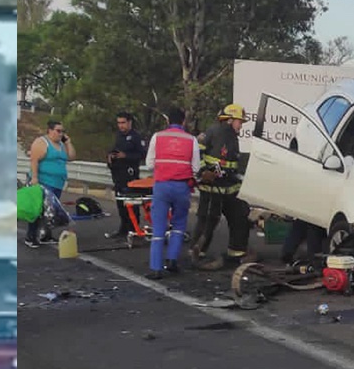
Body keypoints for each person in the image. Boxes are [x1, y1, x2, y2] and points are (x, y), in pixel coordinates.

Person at [191, 104, 253, 269]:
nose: (241, 125)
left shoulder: (231, 135)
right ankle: (197, 253)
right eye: (240, 121)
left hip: (229, 187)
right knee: (208, 220)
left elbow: (231, 163)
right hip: (213, 187)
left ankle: (236, 253)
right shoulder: (214, 131)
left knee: (240, 215)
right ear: (230, 120)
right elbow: (197, 151)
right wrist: (204, 171)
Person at [144, 107, 200, 279]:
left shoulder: (157, 137)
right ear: (183, 121)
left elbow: (149, 164)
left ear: (168, 121)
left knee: (159, 226)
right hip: (182, 187)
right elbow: (196, 168)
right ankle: (172, 261)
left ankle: (155, 267)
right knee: (179, 224)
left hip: (162, 186)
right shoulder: (192, 140)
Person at [25, 119, 75, 248]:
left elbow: (71, 157)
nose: (60, 134)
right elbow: (34, 160)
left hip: (57, 182)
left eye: (62, 131)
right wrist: (34, 178)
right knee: (38, 209)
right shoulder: (42, 142)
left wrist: (68, 142)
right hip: (43, 181)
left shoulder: (62, 145)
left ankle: (46, 234)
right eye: (58, 131)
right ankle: (31, 236)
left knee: (51, 211)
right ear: (50, 131)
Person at [105, 112, 145, 239]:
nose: (121, 126)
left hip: (130, 173)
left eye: (123, 123)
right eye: (119, 123)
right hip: (118, 173)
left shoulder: (136, 137)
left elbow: (142, 155)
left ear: (129, 122)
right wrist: (111, 157)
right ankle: (123, 229)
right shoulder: (119, 136)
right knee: (120, 202)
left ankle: (133, 228)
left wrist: (126, 156)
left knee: (131, 203)